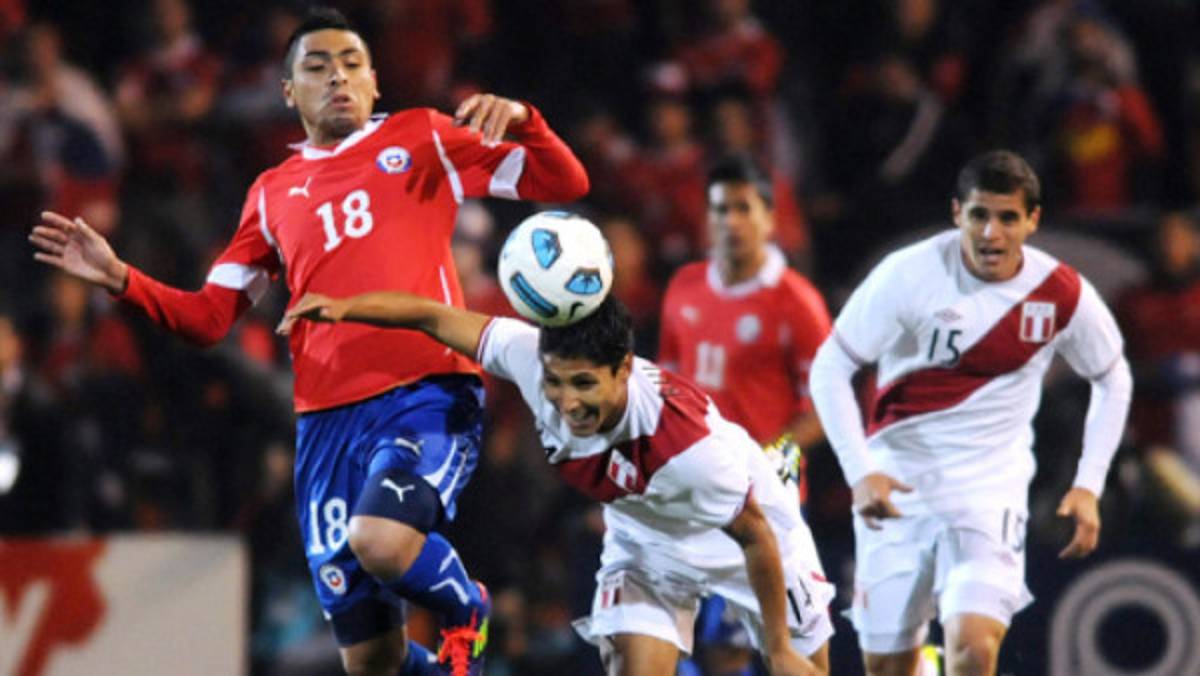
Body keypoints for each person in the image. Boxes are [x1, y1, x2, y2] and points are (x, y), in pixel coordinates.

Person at [29, 7, 589, 676]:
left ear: (376, 82)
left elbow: (564, 182)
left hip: (424, 392)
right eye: (318, 67)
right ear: (289, 90)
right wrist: (122, 278)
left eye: (352, 64)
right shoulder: (270, 194)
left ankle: (467, 607)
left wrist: (527, 120)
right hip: (324, 427)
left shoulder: (423, 137)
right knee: (371, 661)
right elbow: (209, 318)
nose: (339, 78)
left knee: (381, 540)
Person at [277, 292, 836, 676]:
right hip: (645, 540)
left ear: (623, 369)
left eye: (585, 384)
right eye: (556, 382)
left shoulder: (690, 452)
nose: (567, 402)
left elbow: (753, 534)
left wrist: (781, 649)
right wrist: (350, 307)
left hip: (745, 528)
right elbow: (435, 317)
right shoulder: (530, 358)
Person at [808, 150, 1132, 676]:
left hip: (989, 492)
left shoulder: (1059, 292)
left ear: (1033, 220)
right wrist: (861, 473)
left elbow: (1113, 376)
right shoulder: (907, 274)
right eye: (980, 215)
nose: (991, 232)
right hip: (897, 490)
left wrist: (1088, 483)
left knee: (975, 648)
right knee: (888, 667)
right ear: (958, 212)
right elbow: (830, 367)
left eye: (1008, 217)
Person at [658, 155, 831, 676]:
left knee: (760, 649)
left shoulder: (796, 301)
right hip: (690, 493)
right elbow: (667, 386)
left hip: (762, 503)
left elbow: (822, 407)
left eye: (742, 208)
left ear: (769, 219)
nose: (730, 221)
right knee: (695, 648)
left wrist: (773, 456)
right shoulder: (683, 286)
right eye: (719, 210)